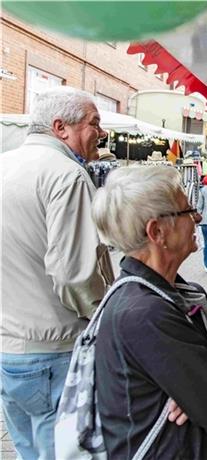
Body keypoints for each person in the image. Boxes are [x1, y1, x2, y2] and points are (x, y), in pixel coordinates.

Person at [91, 165, 207, 458]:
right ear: (157, 231)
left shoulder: (173, 293)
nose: (198, 217)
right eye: (187, 210)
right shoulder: (146, 313)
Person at [0, 86, 114, 459]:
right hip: (53, 348)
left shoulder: (5, 165)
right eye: (95, 123)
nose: (101, 133)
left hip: (9, 348)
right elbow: (74, 273)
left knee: (29, 450)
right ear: (60, 127)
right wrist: (105, 318)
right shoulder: (67, 175)